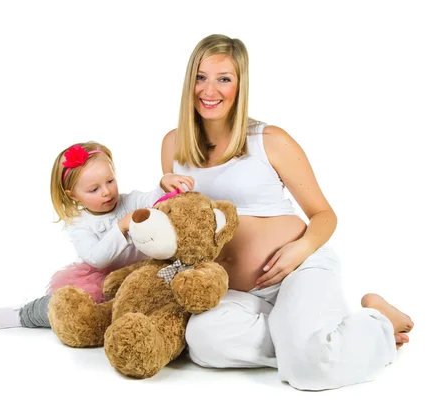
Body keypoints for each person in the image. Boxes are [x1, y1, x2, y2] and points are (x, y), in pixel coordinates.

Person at [161, 34, 414, 391]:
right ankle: (316, 338)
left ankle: (379, 322)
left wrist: (301, 249)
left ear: (240, 84)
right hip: (235, 293)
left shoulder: (269, 140)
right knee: (203, 342)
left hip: (298, 271)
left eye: (224, 78)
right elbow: (175, 225)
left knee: (310, 372)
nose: (209, 90)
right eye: (201, 77)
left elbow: (324, 215)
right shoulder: (174, 145)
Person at [0, 141, 194, 329]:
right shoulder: (79, 223)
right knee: (69, 305)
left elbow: (154, 200)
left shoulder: (129, 202)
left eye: (110, 181)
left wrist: (164, 182)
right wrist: (121, 227)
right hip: (100, 279)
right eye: (94, 189)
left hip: (136, 275)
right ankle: (24, 316)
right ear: (73, 195)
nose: (106, 192)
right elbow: (97, 259)